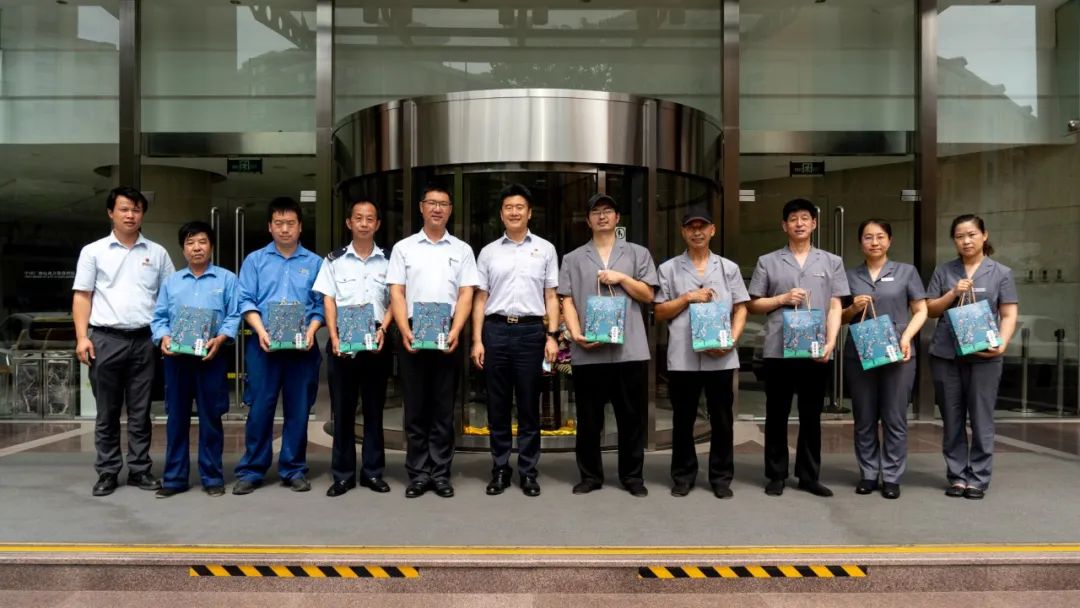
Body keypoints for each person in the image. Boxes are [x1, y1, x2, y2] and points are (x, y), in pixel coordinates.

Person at [73, 186, 175, 497]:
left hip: (145, 340)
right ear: (111, 213)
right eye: (124, 209)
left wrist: (167, 333)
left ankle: (140, 469)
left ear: (143, 214)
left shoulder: (157, 253)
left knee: (141, 411)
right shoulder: (93, 251)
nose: (130, 215)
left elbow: (170, 297)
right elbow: (82, 296)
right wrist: (82, 337)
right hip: (105, 339)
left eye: (136, 210)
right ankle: (107, 471)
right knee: (107, 411)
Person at [558, 192, 659, 497]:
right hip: (589, 351)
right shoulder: (573, 258)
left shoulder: (638, 253)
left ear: (617, 218)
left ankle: (632, 476)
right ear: (588, 221)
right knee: (589, 419)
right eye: (596, 212)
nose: (602, 216)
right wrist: (576, 333)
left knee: (631, 418)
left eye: (607, 211)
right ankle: (590, 476)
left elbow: (648, 295)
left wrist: (622, 278)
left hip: (630, 351)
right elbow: (566, 300)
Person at [747, 198, 849, 497]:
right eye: (793, 219)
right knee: (776, 413)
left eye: (805, 218)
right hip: (778, 349)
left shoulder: (831, 261)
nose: (799, 223)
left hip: (816, 348)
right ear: (784, 225)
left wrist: (831, 342)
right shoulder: (768, 261)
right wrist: (782, 299)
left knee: (811, 415)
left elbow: (835, 305)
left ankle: (809, 476)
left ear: (814, 224)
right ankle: (776, 474)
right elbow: (754, 304)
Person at [387, 184, 478, 498]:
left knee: (442, 407)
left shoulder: (462, 250)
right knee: (415, 407)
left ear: (450, 210)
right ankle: (418, 473)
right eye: (432, 203)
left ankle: (440, 473)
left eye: (443, 204)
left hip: (447, 333)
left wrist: (456, 330)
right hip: (412, 332)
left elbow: (466, 294)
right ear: (421, 208)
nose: (437, 209)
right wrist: (404, 330)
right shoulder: (404, 248)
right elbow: (397, 292)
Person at [471, 184, 560, 498]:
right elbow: (480, 299)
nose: (514, 212)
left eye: (519, 207)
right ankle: (499, 468)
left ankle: (528, 471)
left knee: (528, 406)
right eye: (508, 207)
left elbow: (551, 296)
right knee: (497, 406)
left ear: (529, 213)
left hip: (531, 333)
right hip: (495, 332)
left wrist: (552, 336)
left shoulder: (546, 249)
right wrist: (477, 340)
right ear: (501, 214)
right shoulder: (488, 252)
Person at [654, 208, 748, 499]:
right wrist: (687, 298)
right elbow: (659, 312)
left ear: (712, 230)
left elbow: (741, 308)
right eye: (691, 227)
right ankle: (683, 476)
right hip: (683, 358)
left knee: (722, 419)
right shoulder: (668, 269)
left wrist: (732, 340)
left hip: (721, 356)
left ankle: (721, 477)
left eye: (702, 226)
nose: (697, 232)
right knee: (683, 419)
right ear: (683, 232)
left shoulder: (728, 268)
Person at [232, 197, 324, 495]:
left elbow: (321, 305)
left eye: (291, 223)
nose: (285, 229)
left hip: (302, 348)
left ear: (300, 227)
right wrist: (260, 330)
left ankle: (293, 468)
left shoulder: (315, 263)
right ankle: (252, 470)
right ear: (270, 227)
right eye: (279, 223)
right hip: (264, 346)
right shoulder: (255, 261)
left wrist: (312, 331)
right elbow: (245, 299)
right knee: (260, 408)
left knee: (299, 409)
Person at [926, 214, 1018, 500]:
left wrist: (1001, 344)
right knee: (952, 418)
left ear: (984, 236)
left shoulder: (1000, 272)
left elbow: (1008, 313)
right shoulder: (944, 271)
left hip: (984, 355)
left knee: (981, 418)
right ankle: (957, 476)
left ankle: (978, 478)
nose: (966, 241)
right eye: (959, 236)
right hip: (946, 355)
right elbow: (931, 310)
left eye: (971, 235)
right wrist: (953, 292)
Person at [150, 221, 240, 498]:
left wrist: (221, 339)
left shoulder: (227, 279)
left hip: (211, 357)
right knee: (176, 419)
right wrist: (163, 338)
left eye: (202, 241)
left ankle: (212, 477)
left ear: (211, 246)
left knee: (211, 418)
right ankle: (174, 478)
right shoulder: (171, 282)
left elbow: (234, 315)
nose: (196, 247)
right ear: (183, 249)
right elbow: (159, 318)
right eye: (190, 243)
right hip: (177, 360)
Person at [840, 219, 927, 500]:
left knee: (894, 417)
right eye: (868, 237)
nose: (874, 242)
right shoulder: (849, 276)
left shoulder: (906, 272)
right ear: (860, 243)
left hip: (897, 352)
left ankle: (891, 476)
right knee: (864, 416)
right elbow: (839, 317)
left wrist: (907, 337)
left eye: (880, 237)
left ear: (889, 240)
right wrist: (853, 308)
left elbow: (921, 310)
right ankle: (868, 473)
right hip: (859, 353)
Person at [313, 197, 393, 497]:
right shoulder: (333, 261)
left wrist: (384, 329)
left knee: (373, 410)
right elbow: (328, 300)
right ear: (349, 222)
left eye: (370, 218)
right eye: (358, 218)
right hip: (342, 340)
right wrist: (333, 336)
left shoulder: (389, 260)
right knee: (343, 411)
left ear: (377, 224)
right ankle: (343, 474)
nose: (364, 223)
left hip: (377, 339)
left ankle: (373, 472)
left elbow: (396, 299)